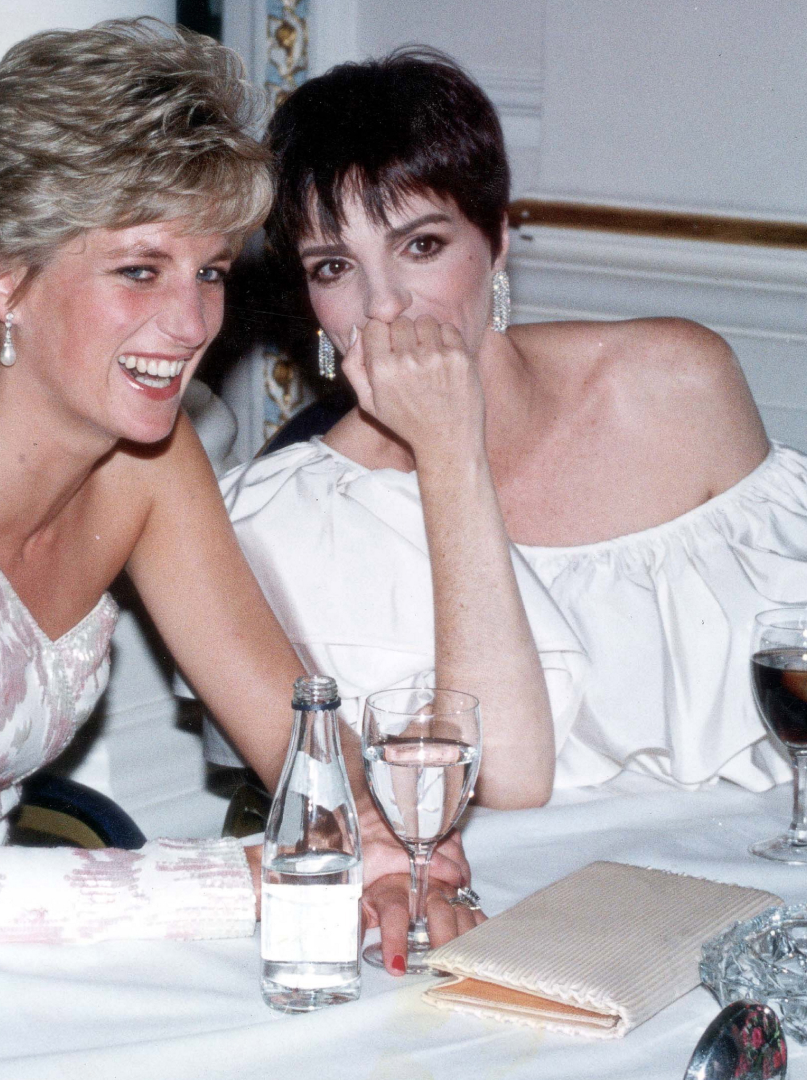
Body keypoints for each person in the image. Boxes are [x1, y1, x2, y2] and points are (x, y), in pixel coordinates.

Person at [0, 23, 484, 1080]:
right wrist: (270, 874)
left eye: (209, 270)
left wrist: (387, 853)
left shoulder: (149, 466)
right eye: (139, 269)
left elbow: (299, 743)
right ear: (5, 280)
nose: (191, 321)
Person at [222, 47, 806, 798]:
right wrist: (448, 450)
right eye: (333, 266)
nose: (384, 304)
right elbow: (497, 781)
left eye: (421, 245)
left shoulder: (675, 383)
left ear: (496, 243)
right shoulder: (297, 521)